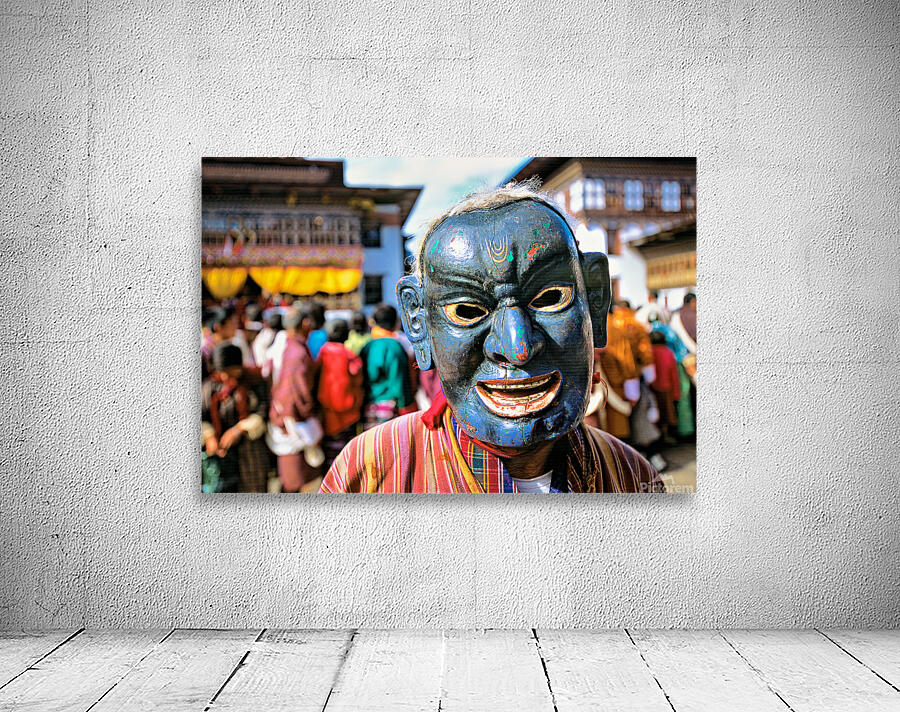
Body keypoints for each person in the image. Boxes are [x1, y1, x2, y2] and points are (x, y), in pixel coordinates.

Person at [321, 183, 663, 493]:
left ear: (594, 299)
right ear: (418, 322)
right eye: (467, 312)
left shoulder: (631, 476)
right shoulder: (369, 473)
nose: (518, 348)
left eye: (549, 298)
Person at [202, 344, 270, 492]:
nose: (226, 377)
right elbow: (202, 415)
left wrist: (238, 429)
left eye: (230, 371)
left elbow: (262, 411)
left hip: (250, 449)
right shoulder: (210, 386)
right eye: (222, 372)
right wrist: (209, 436)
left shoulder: (254, 381)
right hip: (221, 453)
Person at [268, 305, 322, 493]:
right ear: (305, 324)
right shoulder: (296, 353)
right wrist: (303, 418)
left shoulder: (285, 345)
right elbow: (293, 395)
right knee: (297, 484)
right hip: (293, 424)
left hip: (289, 420)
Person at [316, 319, 364, 469]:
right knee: (346, 459)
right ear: (347, 335)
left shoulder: (321, 354)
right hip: (348, 417)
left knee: (331, 460)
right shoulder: (350, 357)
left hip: (327, 416)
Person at [359, 303, 414, 430]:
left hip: (369, 408)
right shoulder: (394, 346)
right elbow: (399, 383)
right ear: (395, 322)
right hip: (390, 409)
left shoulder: (368, 346)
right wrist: (407, 406)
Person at [649, 330, 681, 443]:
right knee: (667, 414)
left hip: (652, 388)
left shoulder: (649, 351)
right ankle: (665, 435)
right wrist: (676, 393)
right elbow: (674, 374)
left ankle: (658, 437)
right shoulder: (668, 352)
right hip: (666, 388)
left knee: (655, 413)